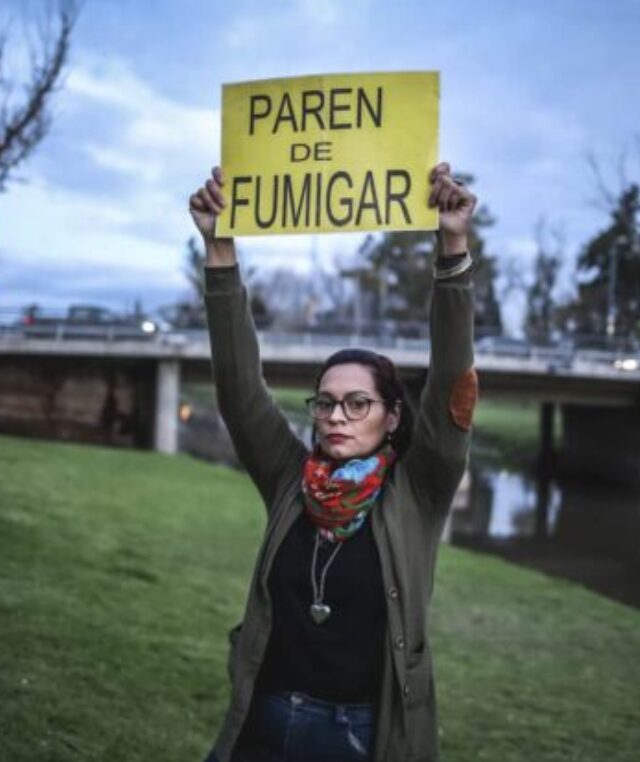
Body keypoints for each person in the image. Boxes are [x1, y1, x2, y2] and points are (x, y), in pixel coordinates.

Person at [192, 162, 478, 762]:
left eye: (357, 403)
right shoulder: (290, 480)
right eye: (325, 402)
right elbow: (241, 396)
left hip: (362, 735)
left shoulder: (419, 489)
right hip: (268, 721)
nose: (337, 415)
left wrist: (452, 250)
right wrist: (220, 254)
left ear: (392, 416)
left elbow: (453, 380)